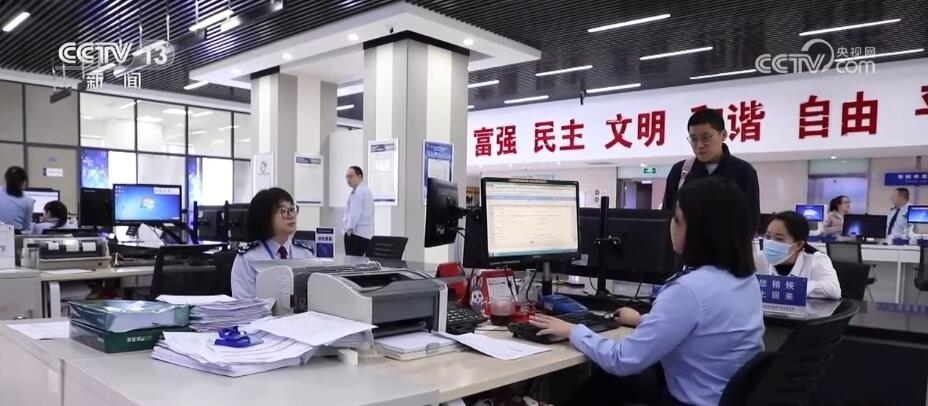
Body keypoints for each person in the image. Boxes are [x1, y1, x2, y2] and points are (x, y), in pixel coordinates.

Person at [530, 177, 764, 406]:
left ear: (700, 232)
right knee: (616, 383)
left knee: (612, 379)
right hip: (725, 397)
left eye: (677, 219)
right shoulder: (745, 279)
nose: (670, 225)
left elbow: (622, 360)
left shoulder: (687, 290)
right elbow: (703, 326)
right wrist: (642, 320)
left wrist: (572, 330)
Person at [662, 109, 760, 230]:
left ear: (723, 135)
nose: (699, 145)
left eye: (706, 138)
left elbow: (751, 222)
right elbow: (666, 217)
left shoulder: (743, 172)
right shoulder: (680, 171)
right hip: (687, 242)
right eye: (694, 139)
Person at [231, 188, 314, 299]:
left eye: (292, 209)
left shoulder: (305, 254)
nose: (291, 215)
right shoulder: (247, 259)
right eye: (283, 211)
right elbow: (244, 303)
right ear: (265, 217)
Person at [756, 211, 842, 299]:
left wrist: (793, 287)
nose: (771, 243)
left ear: (798, 245)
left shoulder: (817, 260)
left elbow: (833, 290)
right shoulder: (761, 258)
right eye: (768, 236)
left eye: (779, 239)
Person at [343, 166, 374, 256]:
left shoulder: (358, 192)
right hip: (366, 234)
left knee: (352, 262)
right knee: (359, 261)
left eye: (351, 176)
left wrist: (347, 231)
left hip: (356, 235)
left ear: (360, 177)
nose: (348, 179)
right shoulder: (366, 190)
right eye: (347, 176)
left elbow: (354, 214)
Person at [0, 166, 34, 233]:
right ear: (24, 182)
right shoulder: (29, 201)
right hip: (15, 235)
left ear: (6, 179)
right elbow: (26, 227)